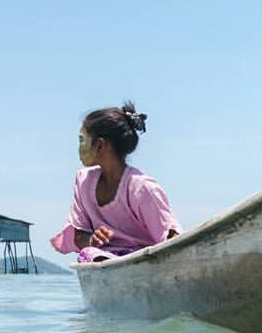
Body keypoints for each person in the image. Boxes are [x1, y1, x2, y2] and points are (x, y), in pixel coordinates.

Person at [50, 101, 181, 262]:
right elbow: (78, 236)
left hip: (142, 261)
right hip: (101, 257)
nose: (79, 147)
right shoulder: (83, 181)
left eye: (82, 140)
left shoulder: (142, 187)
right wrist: (92, 240)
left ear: (99, 145)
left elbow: (171, 237)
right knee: (89, 253)